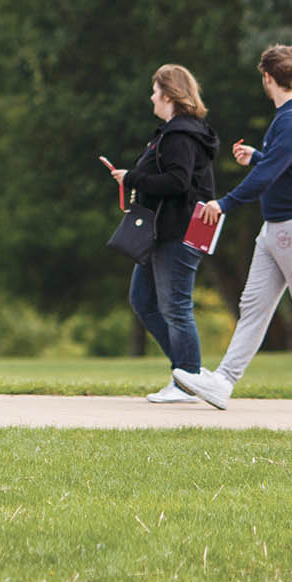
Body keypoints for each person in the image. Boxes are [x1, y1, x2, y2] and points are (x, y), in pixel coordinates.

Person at [173, 44, 292, 412]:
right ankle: (223, 382)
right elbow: (282, 165)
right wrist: (258, 156)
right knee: (254, 306)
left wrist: (224, 203)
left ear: (267, 77)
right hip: (278, 228)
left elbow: (269, 175)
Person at [100, 64, 219, 403]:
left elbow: (178, 183)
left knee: (176, 307)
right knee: (142, 300)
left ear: (168, 94)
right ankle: (187, 371)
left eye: (154, 91)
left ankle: (188, 380)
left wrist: (133, 178)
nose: (151, 97)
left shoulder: (180, 135)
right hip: (161, 232)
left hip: (177, 232)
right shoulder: (174, 132)